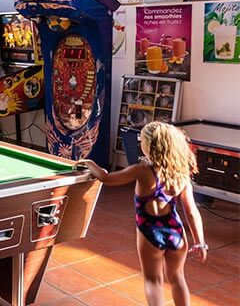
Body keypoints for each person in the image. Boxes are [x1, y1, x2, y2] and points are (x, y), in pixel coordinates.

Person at [76, 122, 207, 306]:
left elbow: (106, 178)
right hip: (176, 233)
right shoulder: (181, 175)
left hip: (150, 232)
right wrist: (200, 242)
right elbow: (192, 212)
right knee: (178, 279)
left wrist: (89, 163)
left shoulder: (141, 171)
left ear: (150, 147)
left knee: (153, 281)